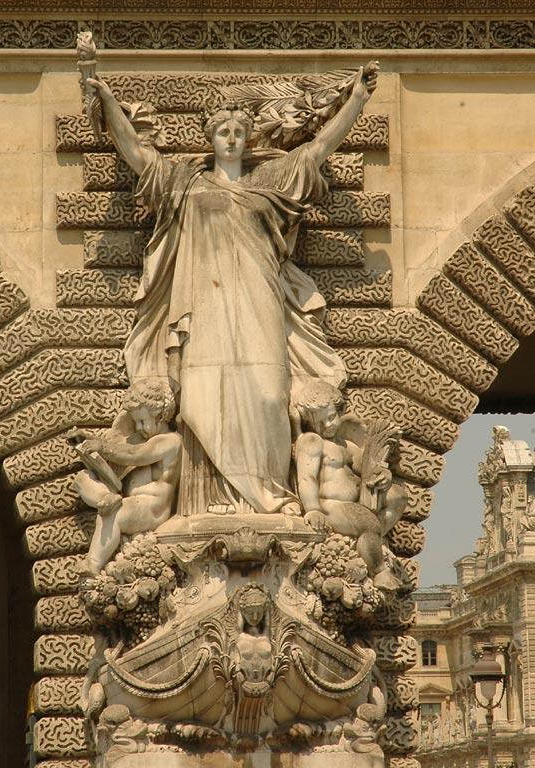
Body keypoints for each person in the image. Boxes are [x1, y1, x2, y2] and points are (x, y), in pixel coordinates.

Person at [87, 66, 377, 517]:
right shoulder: (187, 184)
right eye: (222, 131)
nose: (230, 139)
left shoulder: (272, 182)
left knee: (268, 396)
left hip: (261, 304)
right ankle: (203, 506)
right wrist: (106, 100)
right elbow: (140, 156)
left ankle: (273, 495)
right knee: (202, 401)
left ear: (248, 138)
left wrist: (357, 100)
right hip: (202, 309)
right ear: (210, 137)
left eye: (238, 131)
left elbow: (318, 149)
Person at [292, 380, 406, 591]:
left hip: (354, 504)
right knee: (367, 522)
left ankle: (370, 542)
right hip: (330, 507)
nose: (328, 425)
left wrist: (385, 475)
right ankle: (379, 571)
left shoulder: (345, 445)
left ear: (339, 410)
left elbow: (366, 467)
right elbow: (307, 479)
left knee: (397, 496)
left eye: (331, 417)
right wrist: (313, 510)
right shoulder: (312, 442)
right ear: (309, 423)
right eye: (320, 422)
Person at [73, 379, 182, 575]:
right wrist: (88, 441)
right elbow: (123, 448)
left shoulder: (170, 441)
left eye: (142, 421)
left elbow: (135, 455)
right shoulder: (142, 439)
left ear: (161, 415)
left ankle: (93, 563)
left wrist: (102, 448)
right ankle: (105, 498)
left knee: (117, 514)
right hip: (128, 500)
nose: (139, 427)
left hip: (152, 508)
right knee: (82, 478)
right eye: (135, 422)